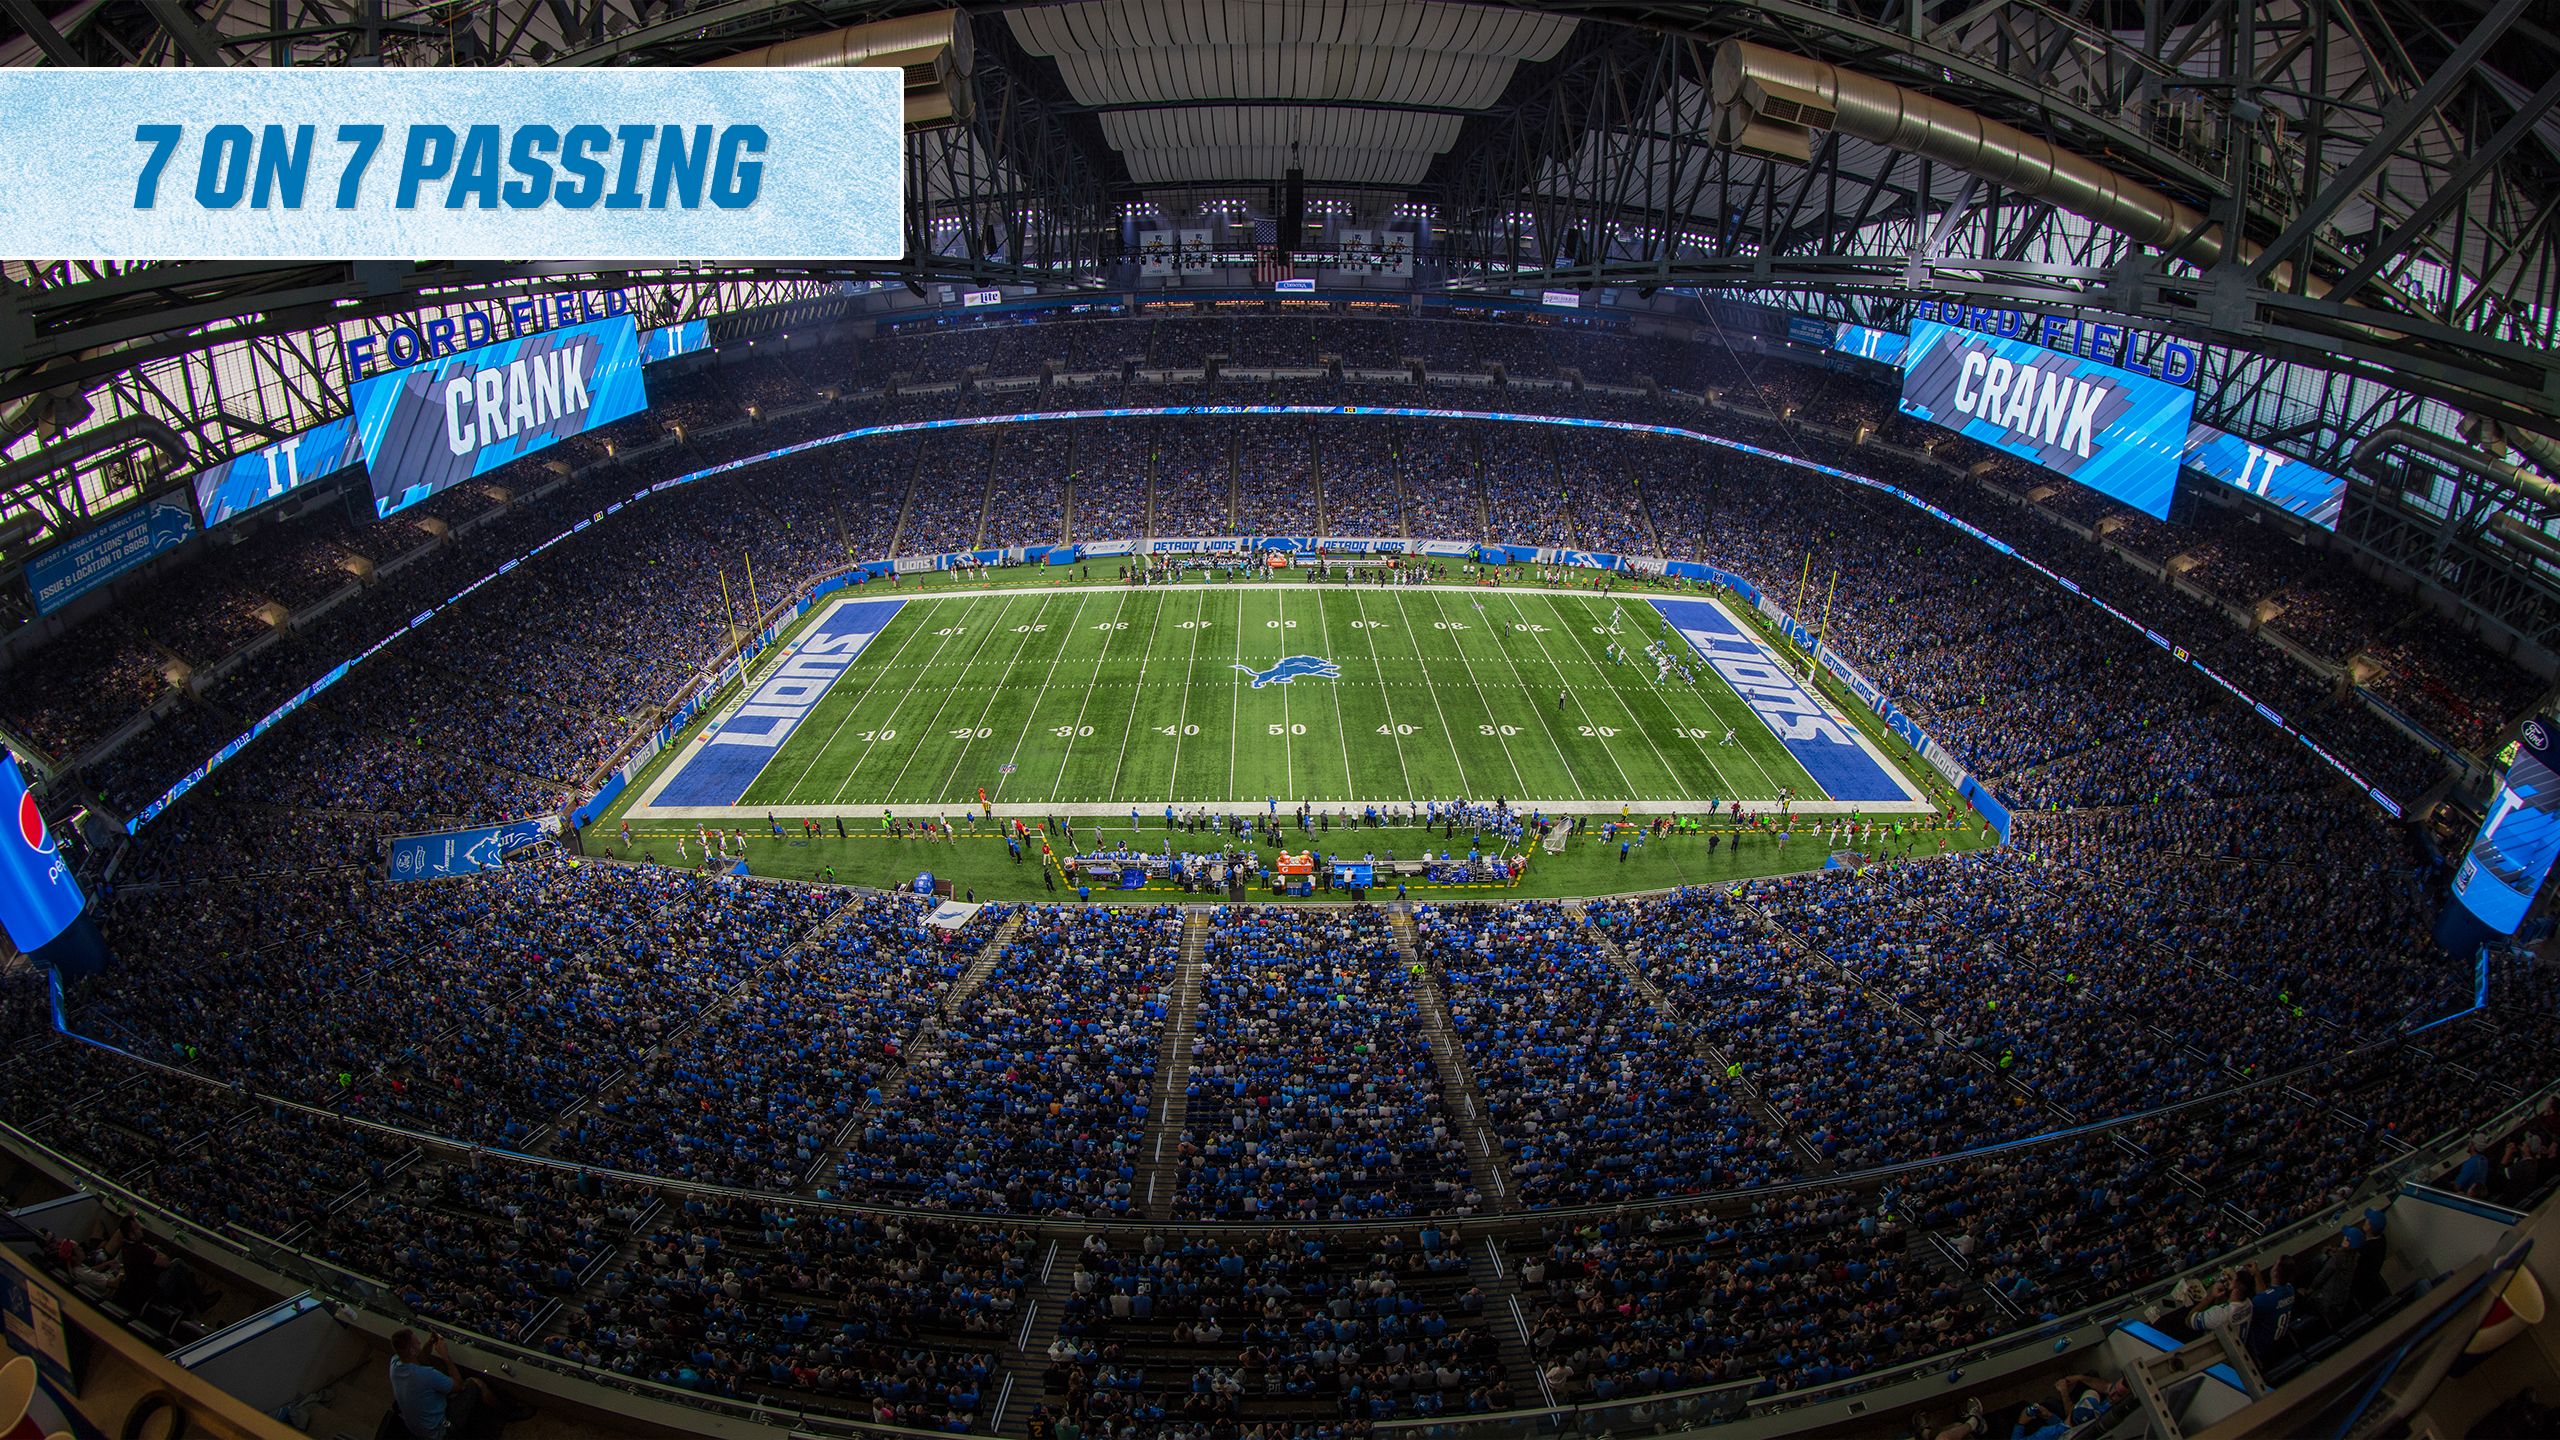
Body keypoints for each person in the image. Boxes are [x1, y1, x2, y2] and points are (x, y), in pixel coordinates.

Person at [390, 1328, 508, 1440]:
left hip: (420, 1431)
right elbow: (459, 1386)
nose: (420, 1343)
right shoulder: (424, 1374)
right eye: (418, 1343)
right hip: (441, 1431)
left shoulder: (395, 1362)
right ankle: (505, 1413)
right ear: (411, 1350)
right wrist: (445, 1356)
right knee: (475, 1383)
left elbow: (418, 1359)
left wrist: (430, 1343)